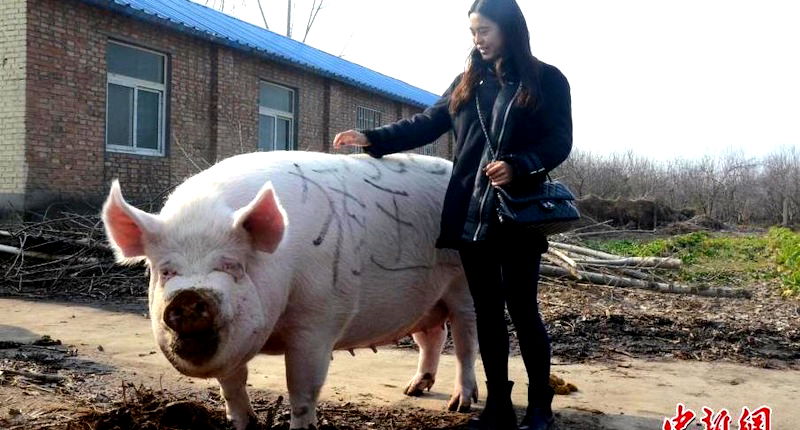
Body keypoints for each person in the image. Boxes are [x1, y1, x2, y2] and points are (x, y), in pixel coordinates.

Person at [333, 0, 571, 428]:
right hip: (472, 215)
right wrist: (371, 137)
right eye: (473, 32)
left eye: (485, 31)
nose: (478, 40)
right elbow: (426, 123)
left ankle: (540, 406)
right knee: (487, 311)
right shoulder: (468, 82)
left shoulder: (547, 80)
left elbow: (560, 142)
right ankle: (499, 406)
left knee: (523, 310)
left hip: (518, 215)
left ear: (509, 29)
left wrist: (520, 164)